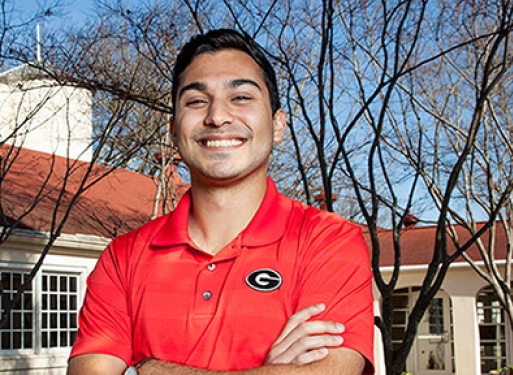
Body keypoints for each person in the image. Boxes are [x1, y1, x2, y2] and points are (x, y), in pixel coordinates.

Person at [67, 28, 374, 375]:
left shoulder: (329, 242)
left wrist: (147, 369)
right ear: (173, 129)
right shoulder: (122, 259)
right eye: (196, 101)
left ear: (277, 125)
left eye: (241, 97)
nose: (217, 116)